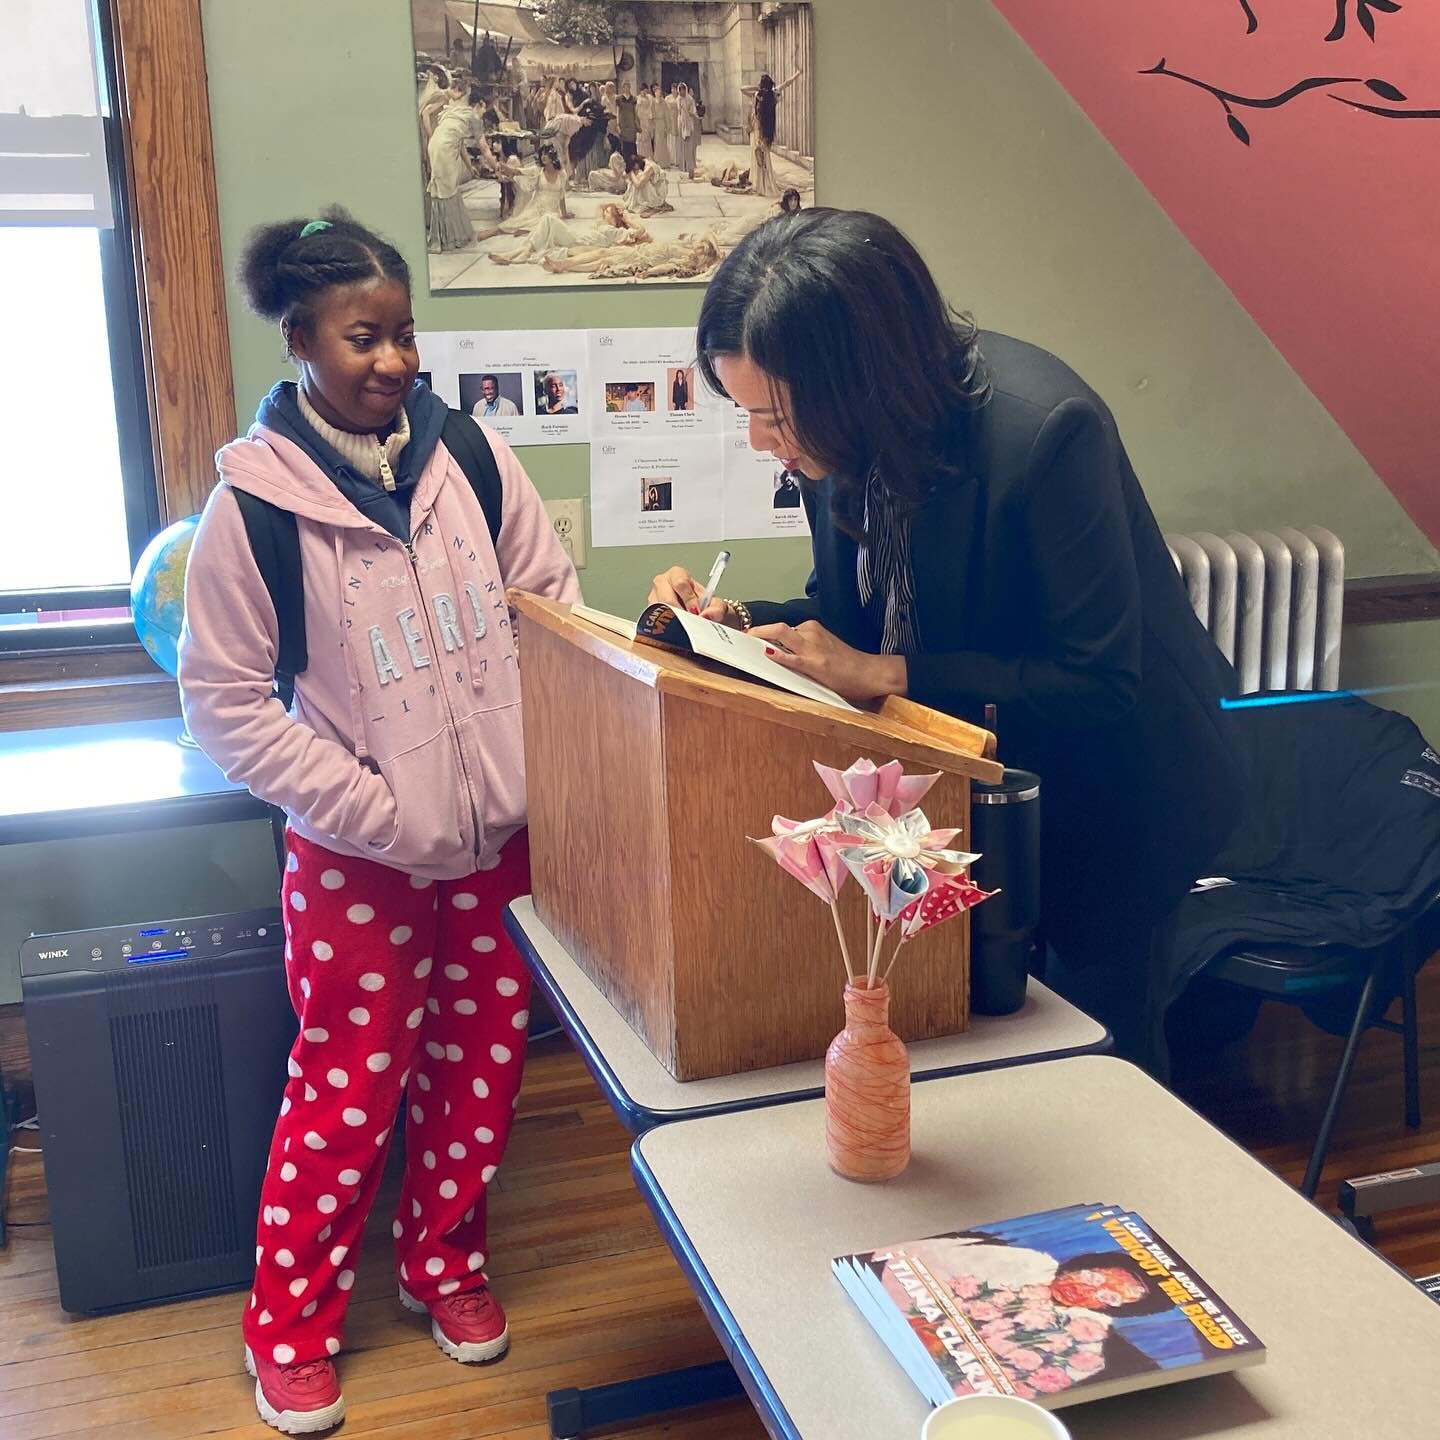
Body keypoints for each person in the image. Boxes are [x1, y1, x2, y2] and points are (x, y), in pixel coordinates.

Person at [646, 210, 1247, 1072]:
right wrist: (723, 623)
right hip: (981, 784)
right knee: (977, 1042)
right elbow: (847, 613)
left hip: (1118, 794)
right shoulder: (835, 441)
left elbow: (1097, 681)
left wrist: (885, 671)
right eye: (747, 413)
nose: (759, 442)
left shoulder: (1046, 430)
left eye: (773, 416)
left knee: (1100, 1062)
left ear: (855, 383)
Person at [177, 209, 580, 1433]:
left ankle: (443, 1266)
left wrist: (534, 776)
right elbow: (225, 708)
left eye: (405, 334)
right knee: (346, 1089)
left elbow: (552, 608)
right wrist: (372, 811)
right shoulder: (249, 514)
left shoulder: (469, 456)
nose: (395, 360)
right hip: (356, 861)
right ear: (300, 339)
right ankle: (289, 1329)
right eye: (366, 337)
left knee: (480, 1074)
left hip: (498, 848)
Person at [426, 86, 494, 251]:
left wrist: (470, 167)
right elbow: (484, 148)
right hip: (445, 149)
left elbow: (460, 143)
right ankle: (447, 238)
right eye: (485, 109)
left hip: (435, 145)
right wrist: (496, 166)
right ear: (481, 104)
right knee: (447, 190)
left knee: (446, 189)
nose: (483, 113)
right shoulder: (473, 118)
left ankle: (447, 235)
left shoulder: (457, 110)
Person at [741, 69, 802, 198]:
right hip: (766, 131)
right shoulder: (772, 95)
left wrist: (757, 88)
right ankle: (763, 182)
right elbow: (786, 83)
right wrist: (797, 74)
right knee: (764, 156)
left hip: (758, 130)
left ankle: (761, 184)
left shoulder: (757, 94)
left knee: (758, 156)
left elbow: (742, 89)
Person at [623, 151, 672, 216]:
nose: (635, 169)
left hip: (658, 191)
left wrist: (632, 173)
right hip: (653, 187)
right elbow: (624, 175)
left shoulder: (649, 167)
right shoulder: (642, 164)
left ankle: (649, 203)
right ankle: (639, 202)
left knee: (638, 178)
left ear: (637, 163)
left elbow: (639, 185)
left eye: (634, 168)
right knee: (635, 179)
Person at [674, 82, 699, 175]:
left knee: (689, 145)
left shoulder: (690, 99)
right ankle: (683, 165)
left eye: (683, 90)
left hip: (689, 123)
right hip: (681, 123)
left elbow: (693, 111)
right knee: (682, 145)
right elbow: (679, 111)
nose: (682, 92)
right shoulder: (678, 99)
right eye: (680, 91)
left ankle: (690, 165)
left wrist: (689, 112)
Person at [652, 82, 674, 169]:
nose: (658, 93)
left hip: (662, 123)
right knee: (657, 143)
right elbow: (651, 112)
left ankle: (664, 162)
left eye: (659, 91)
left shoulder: (664, 102)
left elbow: (667, 115)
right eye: (656, 91)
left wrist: (667, 127)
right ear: (654, 93)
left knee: (663, 142)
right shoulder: (653, 102)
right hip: (656, 123)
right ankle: (657, 160)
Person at [616, 79, 639, 160]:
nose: (626, 88)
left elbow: (635, 112)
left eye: (628, 86)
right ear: (622, 88)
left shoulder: (634, 99)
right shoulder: (619, 99)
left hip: (631, 124)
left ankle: (633, 164)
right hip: (623, 124)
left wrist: (637, 124)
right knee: (624, 146)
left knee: (632, 144)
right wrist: (618, 125)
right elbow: (618, 112)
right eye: (624, 87)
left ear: (630, 87)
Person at [635, 82, 654, 160]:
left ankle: (647, 156)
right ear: (641, 91)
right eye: (643, 91)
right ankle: (640, 156)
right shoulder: (637, 98)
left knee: (647, 137)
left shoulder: (649, 98)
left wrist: (650, 118)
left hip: (647, 118)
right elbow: (636, 110)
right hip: (640, 118)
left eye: (646, 91)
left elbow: (650, 108)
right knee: (640, 138)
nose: (644, 92)